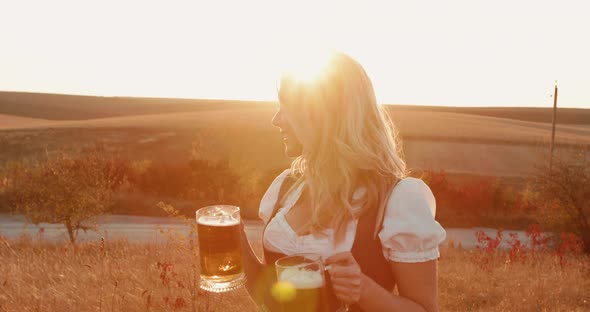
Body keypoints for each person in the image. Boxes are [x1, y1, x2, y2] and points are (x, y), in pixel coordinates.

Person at [241, 50, 446, 312]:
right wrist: (239, 247)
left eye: (286, 109)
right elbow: (272, 299)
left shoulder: (397, 200)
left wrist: (364, 289)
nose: (276, 120)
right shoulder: (285, 187)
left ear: (320, 116)